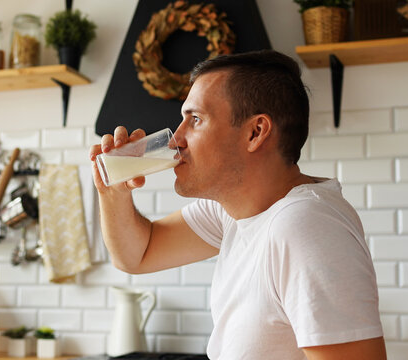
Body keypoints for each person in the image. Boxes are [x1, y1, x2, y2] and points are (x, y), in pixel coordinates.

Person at [89, 50, 386, 360]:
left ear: (255, 132)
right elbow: (137, 254)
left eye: (196, 119)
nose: (176, 138)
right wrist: (112, 190)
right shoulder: (235, 210)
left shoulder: (305, 227)